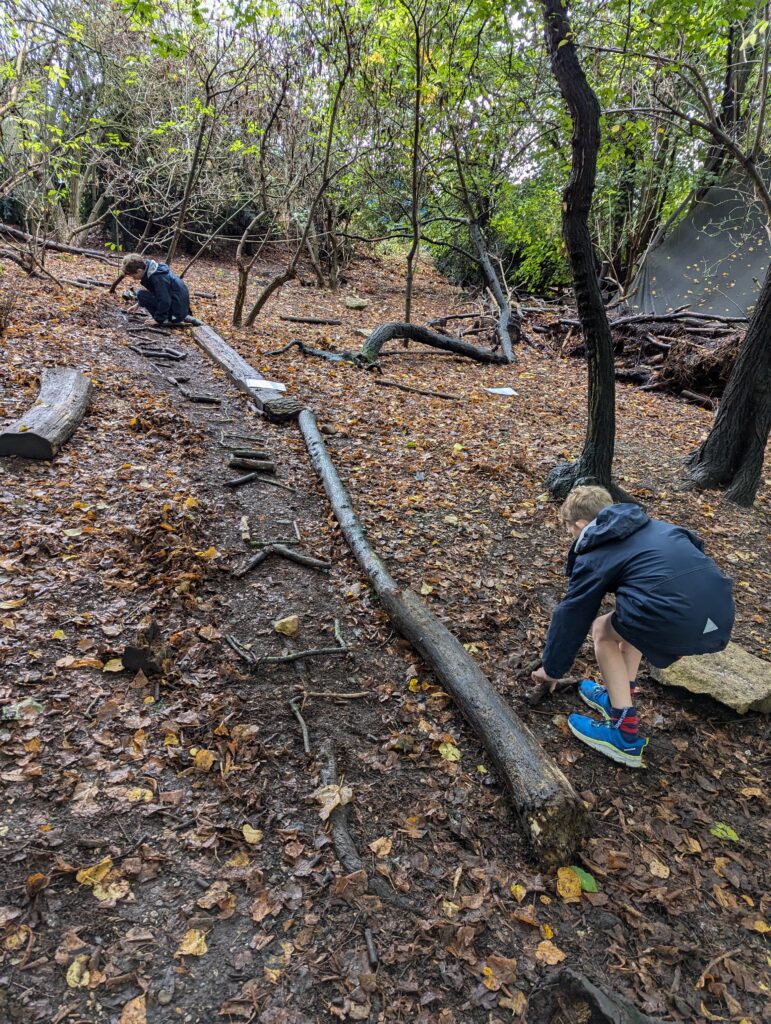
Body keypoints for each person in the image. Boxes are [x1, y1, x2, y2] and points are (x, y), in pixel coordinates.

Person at [531, 485, 734, 768]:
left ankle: (624, 735)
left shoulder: (595, 552)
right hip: (718, 612)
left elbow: (573, 613)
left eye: (569, 530)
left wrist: (552, 668)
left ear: (579, 524)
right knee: (631, 615)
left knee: (602, 630)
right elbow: (692, 551)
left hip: (677, 619)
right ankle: (620, 693)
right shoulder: (654, 526)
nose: (571, 536)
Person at [120, 253, 191, 325]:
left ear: (139, 271)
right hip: (179, 310)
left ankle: (164, 319)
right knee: (141, 295)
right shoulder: (153, 270)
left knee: (141, 294)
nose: (134, 278)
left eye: (133, 276)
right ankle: (164, 317)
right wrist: (138, 304)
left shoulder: (157, 278)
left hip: (175, 316)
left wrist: (158, 320)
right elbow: (156, 293)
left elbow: (165, 300)